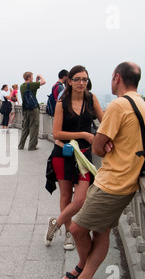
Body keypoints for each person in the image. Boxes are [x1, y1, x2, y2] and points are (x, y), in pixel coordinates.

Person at [56, 62, 145, 279]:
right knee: (101, 232)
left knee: (78, 228)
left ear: (116, 78)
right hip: (124, 178)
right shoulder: (141, 103)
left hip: (114, 182)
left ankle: (83, 277)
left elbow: (98, 147)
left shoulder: (119, 105)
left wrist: (100, 141)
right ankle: (83, 272)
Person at [45, 65, 103, 251]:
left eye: (84, 79)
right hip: (64, 153)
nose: (81, 83)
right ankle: (69, 233)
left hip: (84, 156)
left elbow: (105, 122)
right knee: (65, 195)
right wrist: (84, 135)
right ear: (69, 81)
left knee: (80, 199)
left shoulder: (91, 99)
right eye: (77, 79)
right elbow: (56, 133)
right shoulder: (63, 102)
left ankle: (56, 223)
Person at [18, 71, 46, 150]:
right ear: (29, 77)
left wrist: (36, 81)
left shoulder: (22, 86)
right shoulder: (31, 85)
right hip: (33, 109)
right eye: (32, 77)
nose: (33, 78)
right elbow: (44, 82)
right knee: (34, 126)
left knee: (25, 127)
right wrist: (40, 75)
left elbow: (32, 87)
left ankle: (21, 145)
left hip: (25, 109)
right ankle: (32, 146)